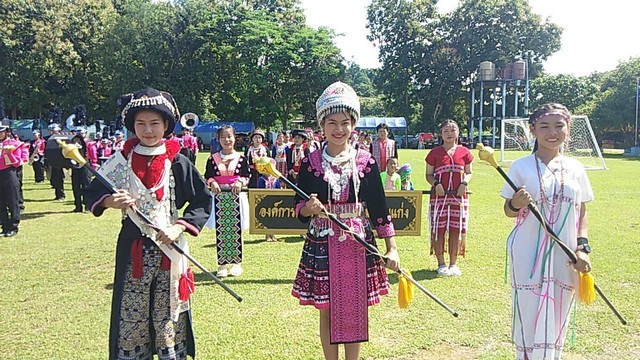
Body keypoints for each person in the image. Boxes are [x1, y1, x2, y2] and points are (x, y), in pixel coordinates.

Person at [84, 88, 212, 360]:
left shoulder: (178, 161)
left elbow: (202, 199)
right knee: (132, 321)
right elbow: (93, 192)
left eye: (155, 123)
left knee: (168, 317)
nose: (148, 130)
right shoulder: (122, 161)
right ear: (132, 126)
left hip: (170, 252)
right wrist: (110, 201)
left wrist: (179, 227)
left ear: (166, 125)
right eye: (141, 123)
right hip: (134, 253)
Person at [293, 81, 399, 360]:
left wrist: (392, 247)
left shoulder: (366, 161)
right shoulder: (310, 162)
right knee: (327, 306)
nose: (339, 130)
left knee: (355, 305)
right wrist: (309, 209)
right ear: (322, 126)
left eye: (345, 122)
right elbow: (298, 206)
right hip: (322, 241)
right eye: (332, 123)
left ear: (354, 125)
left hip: (357, 241)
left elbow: (379, 207)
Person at [500, 103, 593, 360]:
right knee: (529, 311)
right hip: (528, 252)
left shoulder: (576, 168)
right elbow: (508, 210)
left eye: (558, 126)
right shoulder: (521, 166)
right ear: (532, 130)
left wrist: (582, 247)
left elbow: (581, 211)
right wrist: (515, 204)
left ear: (568, 130)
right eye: (544, 126)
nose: (552, 132)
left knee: (558, 311)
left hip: (565, 256)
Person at [425, 119, 473, 277]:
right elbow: (428, 174)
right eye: (446, 130)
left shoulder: (465, 152)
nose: (449, 134)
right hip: (439, 197)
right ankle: (441, 264)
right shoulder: (434, 153)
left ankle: (453, 264)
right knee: (439, 228)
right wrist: (436, 184)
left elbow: (469, 172)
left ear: (458, 133)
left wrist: (464, 182)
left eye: (453, 130)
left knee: (456, 228)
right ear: (441, 134)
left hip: (459, 197)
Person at [204, 126, 250, 278]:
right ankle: (222, 264)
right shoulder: (213, 158)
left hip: (236, 197)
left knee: (236, 229)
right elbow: (207, 176)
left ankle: (237, 264)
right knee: (221, 230)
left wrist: (240, 182)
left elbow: (247, 175)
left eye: (229, 136)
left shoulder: (241, 158)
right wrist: (212, 182)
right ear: (218, 139)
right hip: (219, 197)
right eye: (223, 137)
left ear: (235, 138)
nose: (227, 140)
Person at [0, 124, 22, 237]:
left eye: (1, 132)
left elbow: (17, 163)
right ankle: (4, 225)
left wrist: (10, 154)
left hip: (9, 173)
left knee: (13, 201)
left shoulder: (14, 144)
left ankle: (13, 226)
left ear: (6, 132)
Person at [71, 129, 91, 213]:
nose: (80, 134)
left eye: (82, 133)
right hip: (75, 166)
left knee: (86, 186)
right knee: (76, 186)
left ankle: (87, 206)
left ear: (85, 133)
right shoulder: (73, 142)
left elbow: (92, 154)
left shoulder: (89, 143)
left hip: (85, 166)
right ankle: (78, 206)